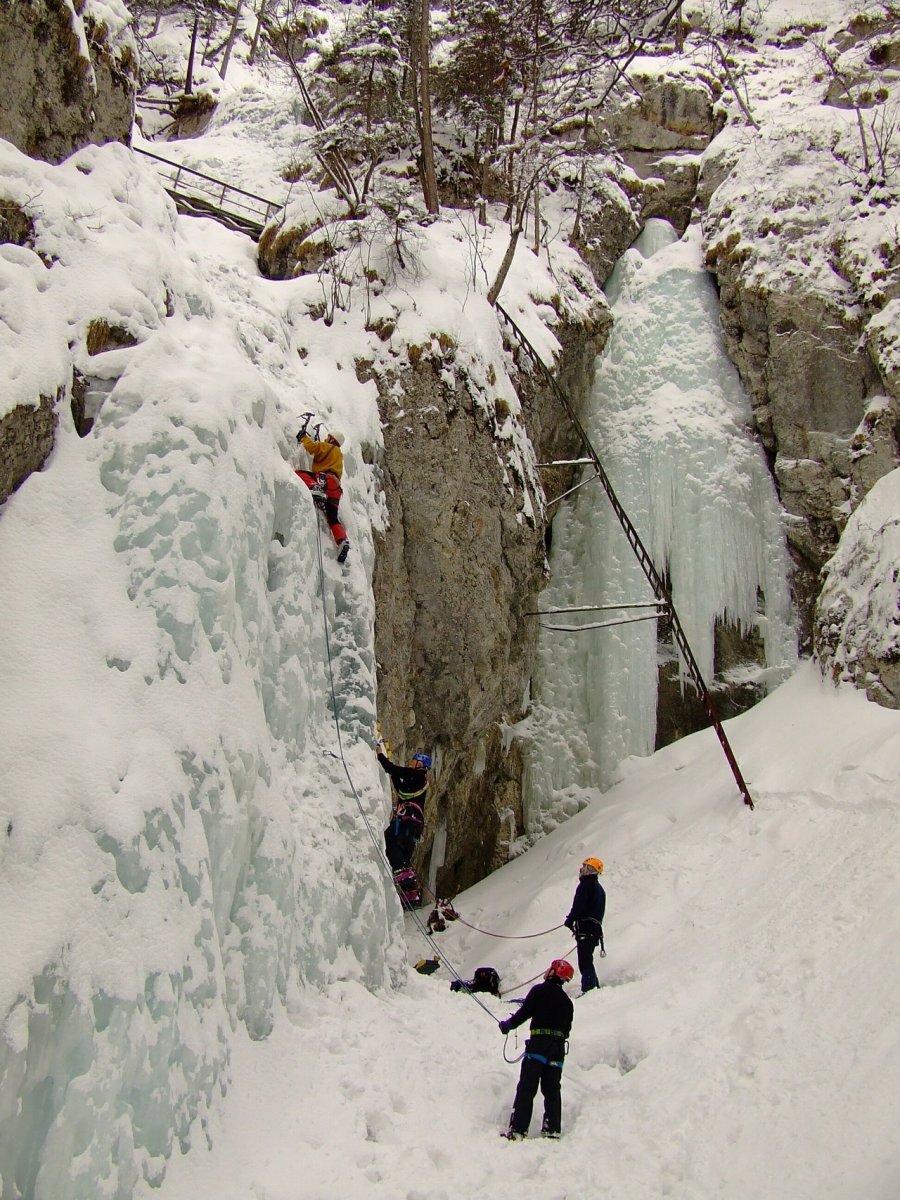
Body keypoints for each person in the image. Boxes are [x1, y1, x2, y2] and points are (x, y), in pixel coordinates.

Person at [498, 959, 575, 1140]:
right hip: (558, 1049)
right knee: (552, 1090)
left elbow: (524, 1013)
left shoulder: (539, 991)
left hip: (539, 1045)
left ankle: (518, 1130)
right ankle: (552, 1130)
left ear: (553, 973)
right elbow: (567, 1030)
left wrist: (508, 1025)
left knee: (527, 1087)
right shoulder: (567, 1003)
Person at [295, 418, 350, 564]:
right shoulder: (339, 455)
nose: (326, 439)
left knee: (299, 474)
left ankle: (314, 487)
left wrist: (303, 437)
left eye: (328, 437)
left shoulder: (328, 447)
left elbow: (313, 447)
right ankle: (342, 540)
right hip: (336, 489)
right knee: (333, 518)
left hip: (324, 480)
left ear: (332, 439)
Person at [376, 741, 431, 872]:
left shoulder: (415, 774)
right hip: (413, 822)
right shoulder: (417, 779)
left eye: (413, 761)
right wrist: (393, 773)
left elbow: (392, 769)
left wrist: (380, 754)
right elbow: (401, 791)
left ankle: (403, 872)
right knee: (403, 850)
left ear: (420, 764)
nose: (410, 763)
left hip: (408, 819)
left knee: (390, 840)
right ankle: (406, 879)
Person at [564, 856, 606, 994]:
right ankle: (594, 987)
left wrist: (570, 920)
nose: (581, 869)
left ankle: (589, 988)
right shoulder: (599, 889)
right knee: (587, 958)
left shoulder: (585, 885)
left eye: (585, 867)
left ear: (591, 870)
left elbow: (579, 905)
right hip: (595, 929)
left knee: (584, 960)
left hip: (586, 928)